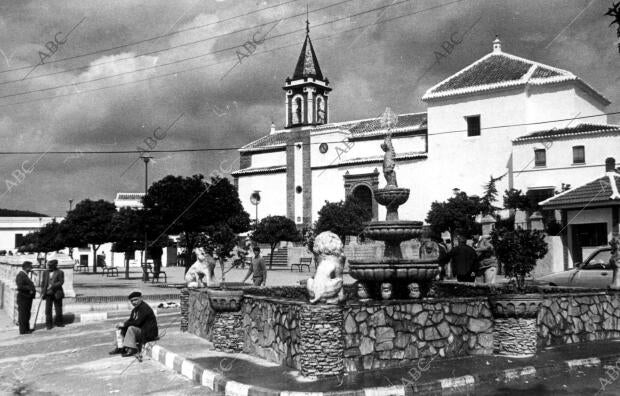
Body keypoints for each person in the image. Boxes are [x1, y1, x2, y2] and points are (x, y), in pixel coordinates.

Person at [109, 291, 158, 357]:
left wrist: (124, 325)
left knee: (130, 328)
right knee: (121, 328)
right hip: (142, 331)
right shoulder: (135, 310)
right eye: (132, 301)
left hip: (148, 333)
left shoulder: (145, 308)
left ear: (141, 298)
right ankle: (120, 347)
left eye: (135, 300)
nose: (133, 302)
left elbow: (137, 322)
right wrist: (122, 324)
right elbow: (131, 320)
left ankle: (132, 349)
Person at [40, 259, 64, 329]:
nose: (49, 267)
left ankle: (59, 322)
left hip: (57, 293)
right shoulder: (45, 272)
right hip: (48, 293)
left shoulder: (60, 272)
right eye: (48, 266)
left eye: (51, 266)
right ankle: (49, 324)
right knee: (48, 310)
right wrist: (42, 291)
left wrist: (53, 285)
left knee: (58, 309)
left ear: (55, 266)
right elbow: (43, 282)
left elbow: (61, 282)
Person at [15, 261, 36, 334]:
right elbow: (20, 286)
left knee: (27, 314)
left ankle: (26, 329)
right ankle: (23, 330)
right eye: (30, 267)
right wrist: (30, 288)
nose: (31, 268)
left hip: (27, 298)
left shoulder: (25, 275)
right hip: (23, 298)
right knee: (23, 314)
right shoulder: (21, 275)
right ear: (27, 267)